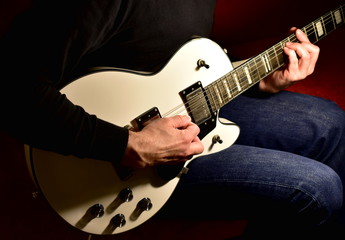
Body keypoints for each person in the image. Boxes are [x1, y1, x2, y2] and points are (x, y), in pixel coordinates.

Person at [1, 0, 344, 239]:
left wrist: (259, 78)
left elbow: (170, 53)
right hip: (112, 162)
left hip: (185, 101)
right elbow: (13, 90)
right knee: (318, 189)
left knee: (332, 123)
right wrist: (127, 145)